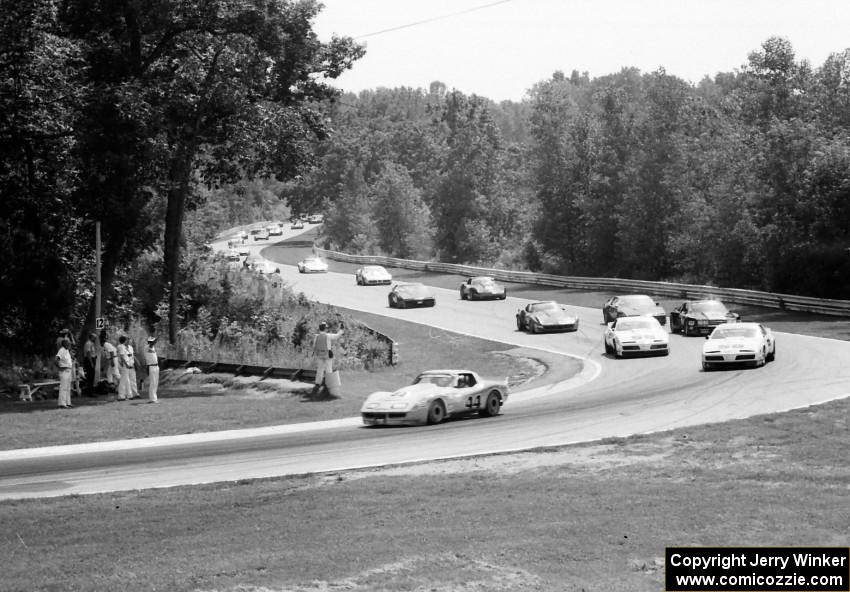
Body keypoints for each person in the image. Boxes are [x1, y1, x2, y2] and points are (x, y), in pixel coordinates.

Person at [310, 320, 343, 399]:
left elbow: (314, 346)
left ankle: (318, 383)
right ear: (325, 329)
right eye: (326, 328)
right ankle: (328, 385)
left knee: (320, 369)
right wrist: (341, 330)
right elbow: (336, 336)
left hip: (319, 355)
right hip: (327, 355)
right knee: (328, 369)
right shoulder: (328, 336)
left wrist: (315, 353)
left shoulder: (316, 336)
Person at [55, 338, 73, 409]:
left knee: (68, 388)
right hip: (64, 371)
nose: (69, 344)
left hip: (69, 370)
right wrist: (60, 367)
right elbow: (56, 360)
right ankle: (62, 403)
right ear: (64, 344)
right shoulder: (61, 350)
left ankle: (68, 402)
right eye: (68, 343)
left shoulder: (67, 350)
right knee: (63, 387)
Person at [100, 330, 119, 395]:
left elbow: (111, 352)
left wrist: (112, 361)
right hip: (111, 358)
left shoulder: (106, 344)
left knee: (116, 373)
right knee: (109, 373)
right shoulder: (107, 345)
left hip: (113, 358)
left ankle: (122, 382)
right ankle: (111, 386)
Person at [116, 335, 132, 401]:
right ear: (125, 340)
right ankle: (121, 396)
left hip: (126, 364)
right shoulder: (121, 346)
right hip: (125, 365)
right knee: (123, 380)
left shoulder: (123, 347)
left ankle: (129, 394)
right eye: (127, 339)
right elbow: (122, 357)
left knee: (127, 380)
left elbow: (125, 355)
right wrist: (126, 365)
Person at [143, 336, 159, 403]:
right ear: (149, 342)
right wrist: (158, 337)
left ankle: (154, 398)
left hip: (156, 366)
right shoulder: (146, 347)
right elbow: (153, 343)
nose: (153, 343)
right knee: (153, 382)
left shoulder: (152, 347)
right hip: (151, 366)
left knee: (155, 383)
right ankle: (152, 399)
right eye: (151, 341)